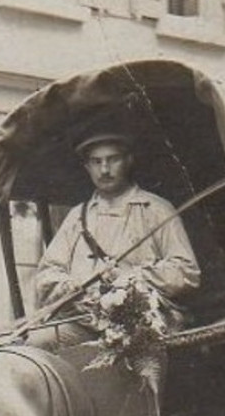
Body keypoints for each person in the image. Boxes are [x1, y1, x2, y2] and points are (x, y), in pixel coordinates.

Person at [29, 123, 201, 342]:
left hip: (140, 321)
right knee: (40, 341)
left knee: (138, 354)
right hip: (84, 321)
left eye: (113, 159)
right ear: (86, 167)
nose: (104, 169)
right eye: (96, 162)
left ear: (129, 161)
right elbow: (46, 274)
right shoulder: (77, 217)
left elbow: (185, 272)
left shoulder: (156, 209)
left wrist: (131, 279)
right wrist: (74, 287)